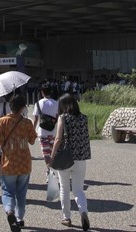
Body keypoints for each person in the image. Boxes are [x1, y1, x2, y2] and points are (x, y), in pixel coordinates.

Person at [0, 94, 37, 232]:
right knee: (21, 193)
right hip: (24, 162)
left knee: (7, 191)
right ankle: (20, 218)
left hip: (8, 162)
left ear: (10, 107)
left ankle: (9, 211)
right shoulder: (27, 122)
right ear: (23, 108)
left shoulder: (1, 122)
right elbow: (32, 140)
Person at [49, 93, 91, 231]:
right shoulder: (84, 118)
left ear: (63, 105)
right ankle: (83, 211)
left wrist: (52, 155)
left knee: (64, 189)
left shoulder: (63, 118)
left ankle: (66, 217)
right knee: (78, 190)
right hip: (81, 158)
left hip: (65, 158)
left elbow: (58, 139)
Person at [32, 83, 59, 178]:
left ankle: (49, 171)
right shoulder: (56, 103)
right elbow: (57, 118)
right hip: (53, 132)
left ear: (42, 92)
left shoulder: (38, 103)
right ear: (51, 91)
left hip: (42, 132)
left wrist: (33, 130)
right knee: (52, 152)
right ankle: (51, 170)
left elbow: (35, 119)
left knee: (46, 154)